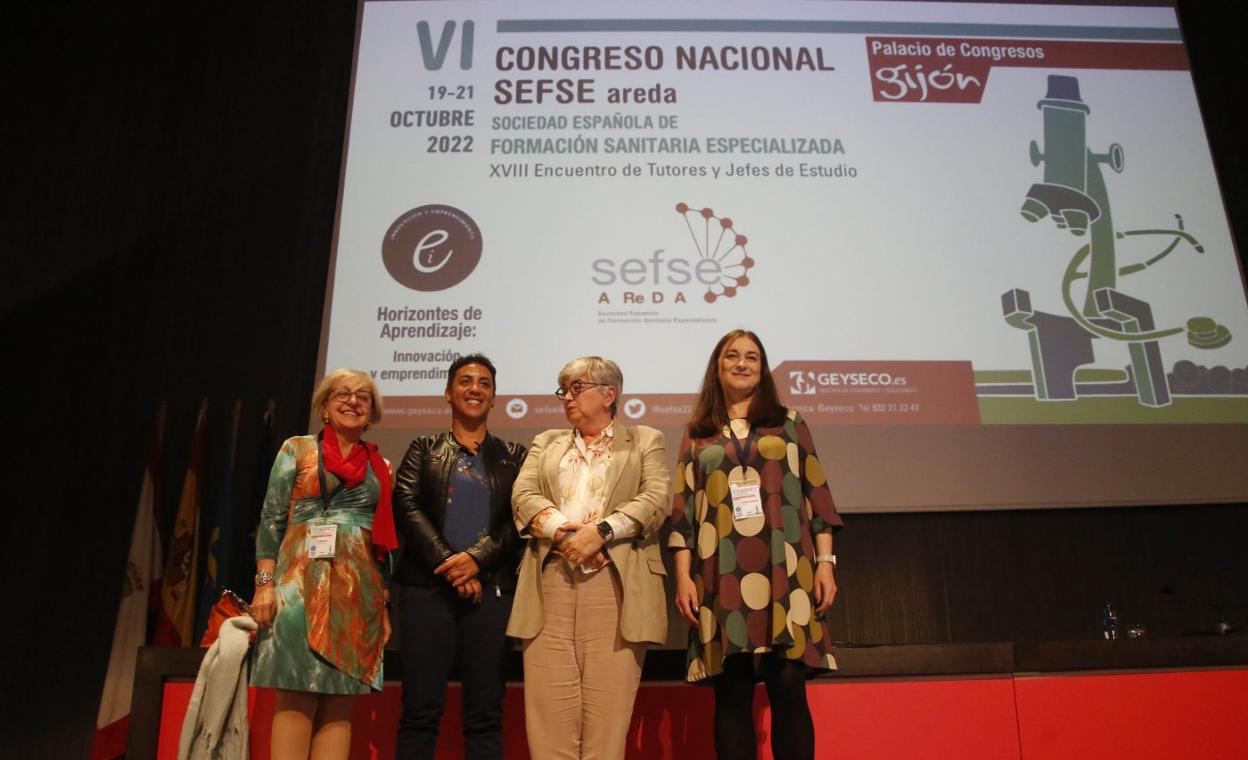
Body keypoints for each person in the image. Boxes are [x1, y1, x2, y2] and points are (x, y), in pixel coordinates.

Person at [667, 330, 843, 760]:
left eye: (752, 357)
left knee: (787, 687)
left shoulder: (789, 422)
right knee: (732, 692)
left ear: (763, 369)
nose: (742, 363)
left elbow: (818, 498)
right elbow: (682, 511)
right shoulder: (698, 432)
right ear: (718, 366)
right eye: (732, 356)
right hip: (719, 568)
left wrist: (825, 564)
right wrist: (683, 577)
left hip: (787, 566)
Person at [508, 356, 671, 760]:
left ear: (609, 394)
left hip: (615, 585)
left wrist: (600, 533)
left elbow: (656, 498)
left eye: (577, 388)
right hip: (551, 584)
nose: (568, 397)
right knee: (549, 726)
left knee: (606, 727)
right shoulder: (547, 442)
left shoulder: (646, 440)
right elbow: (523, 496)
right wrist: (566, 534)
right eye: (564, 389)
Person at [250, 369, 397, 760]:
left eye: (363, 397)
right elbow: (270, 520)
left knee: (340, 700)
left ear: (371, 413)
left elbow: (383, 545)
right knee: (296, 692)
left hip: (356, 592)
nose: (353, 401)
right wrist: (264, 585)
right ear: (326, 407)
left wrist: (382, 607)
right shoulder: (296, 449)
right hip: (297, 586)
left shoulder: (380, 465)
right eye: (343, 394)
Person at [392, 354, 527, 759]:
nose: (475, 389)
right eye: (465, 381)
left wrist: (477, 561)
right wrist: (454, 565)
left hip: (491, 595)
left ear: (494, 398)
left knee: (485, 714)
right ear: (448, 394)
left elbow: (520, 521)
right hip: (426, 592)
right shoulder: (423, 448)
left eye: (484, 383)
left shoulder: (514, 456)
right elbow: (407, 505)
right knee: (419, 712)